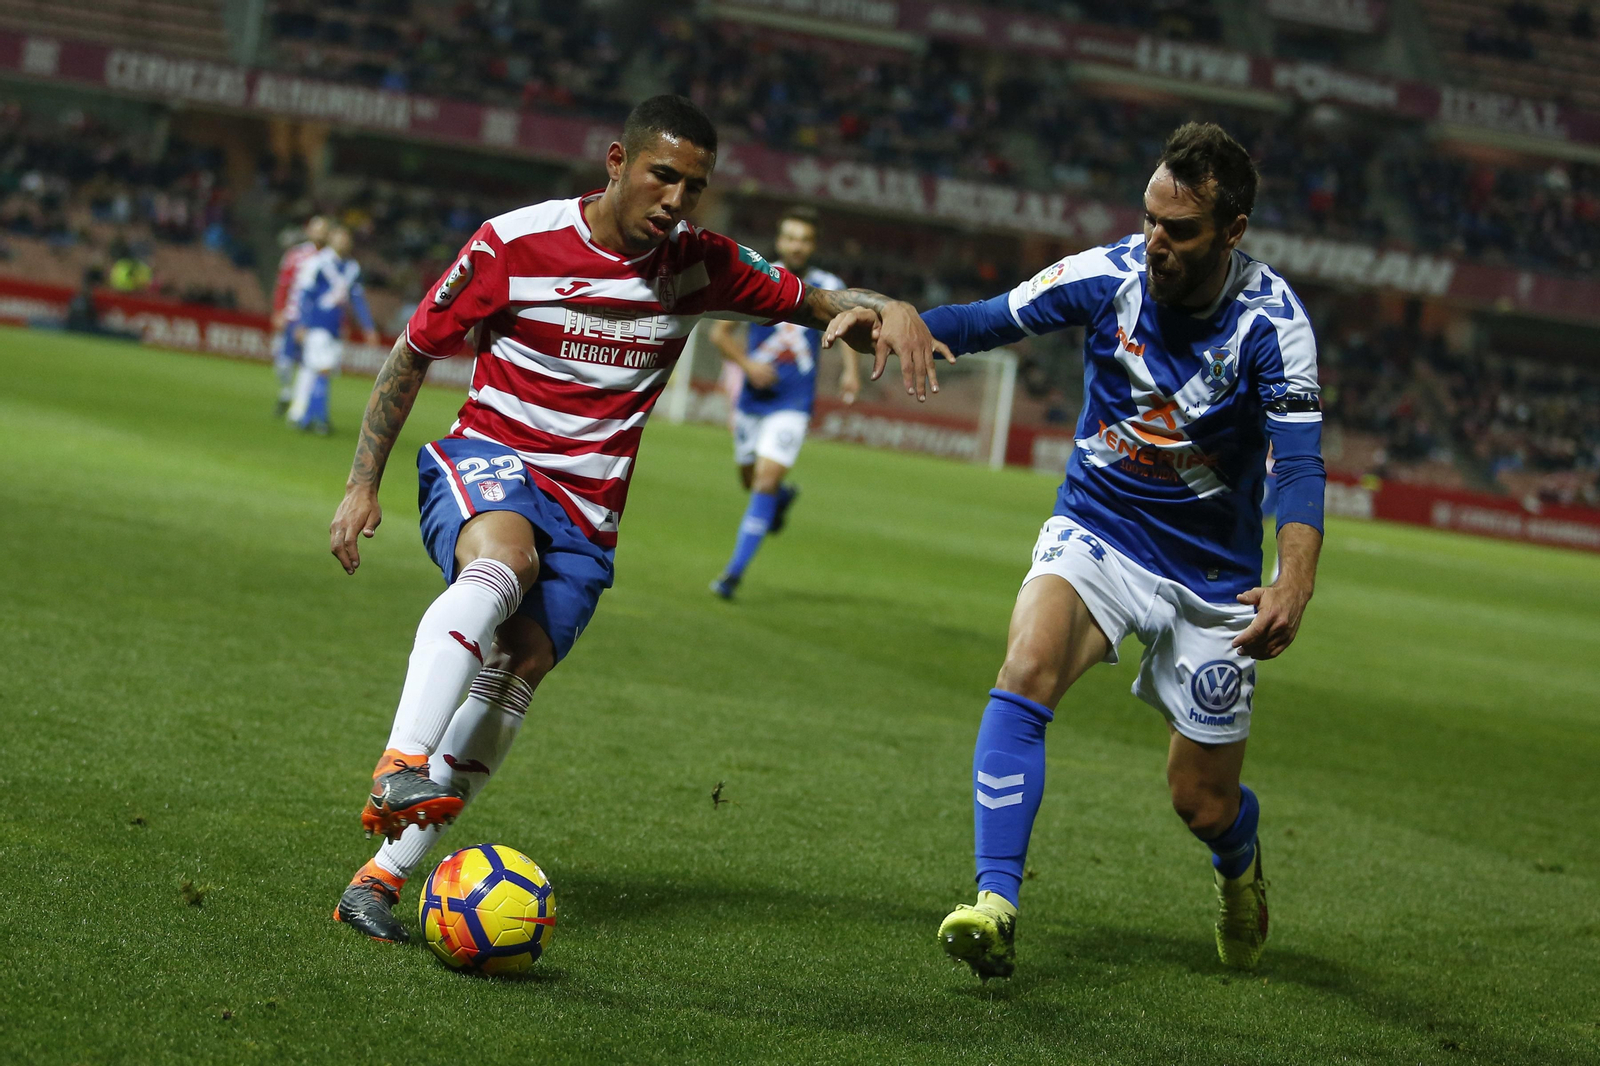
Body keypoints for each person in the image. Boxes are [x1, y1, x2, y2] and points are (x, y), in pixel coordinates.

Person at [325, 95, 946, 943]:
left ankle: (378, 881)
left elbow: (822, 301)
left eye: (694, 186)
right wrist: (362, 483)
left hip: (589, 509)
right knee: (506, 562)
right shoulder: (512, 242)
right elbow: (413, 352)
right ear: (617, 161)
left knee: (519, 668)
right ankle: (402, 760)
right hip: (492, 458)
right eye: (663, 176)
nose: (676, 200)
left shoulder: (703, 264)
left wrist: (893, 307)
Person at [842, 122, 1325, 979]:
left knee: (1201, 802)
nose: (1155, 241)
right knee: (1026, 667)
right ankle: (995, 905)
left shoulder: (1274, 325)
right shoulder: (1107, 276)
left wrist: (1294, 581)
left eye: (1179, 229)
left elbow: (1297, 465)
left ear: (1233, 231)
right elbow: (988, 320)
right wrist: (898, 320)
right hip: (1099, 528)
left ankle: (1240, 865)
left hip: (1214, 576)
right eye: (1149, 219)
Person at [707, 205, 860, 599]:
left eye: (804, 239)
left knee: (763, 481)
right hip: (753, 400)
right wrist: (748, 365)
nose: (797, 246)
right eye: (791, 237)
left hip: (793, 402)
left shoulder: (828, 285)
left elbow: (848, 329)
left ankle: (732, 575)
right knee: (751, 481)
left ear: (814, 245)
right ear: (779, 240)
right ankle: (780, 500)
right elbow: (719, 334)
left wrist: (850, 371)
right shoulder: (759, 276)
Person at [287, 226, 377, 435]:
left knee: (318, 371)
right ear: (331, 239)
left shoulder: (351, 268)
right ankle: (319, 419)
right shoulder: (318, 263)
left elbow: (358, 300)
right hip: (317, 324)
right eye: (339, 237)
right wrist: (302, 323)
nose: (343, 241)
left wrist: (368, 327)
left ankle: (305, 417)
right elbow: (305, 294)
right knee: (322, 370)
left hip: (336, 327)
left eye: (346, 237)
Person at [271, 216, 329, 416]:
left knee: (309, 365)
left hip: (317, 321)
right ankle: (286, 392)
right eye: (316, 229)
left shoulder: (331, 259)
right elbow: (283, 284)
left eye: (323, 230)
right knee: (284, 362)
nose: (320, 234)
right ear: (309, 231)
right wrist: (279, 310)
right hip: (293, 316)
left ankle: (299, 403)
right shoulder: (295, 255)